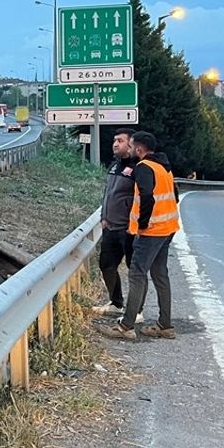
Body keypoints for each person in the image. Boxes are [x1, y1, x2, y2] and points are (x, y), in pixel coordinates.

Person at [101, 131, 180, 341]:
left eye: (133, 145)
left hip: (152, 231)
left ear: (138, 149)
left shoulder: (144, 167)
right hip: (168, 228)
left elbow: (146, 196)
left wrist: (142, 225)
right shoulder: (164, 167)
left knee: (136, 273)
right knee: (160, 275)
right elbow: (175, 194)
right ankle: (165, 325)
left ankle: (126, 326)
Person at [93, 128, 139, 318]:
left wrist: (134, 226)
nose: (115, 144)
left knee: (134, 270)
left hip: (128, 229)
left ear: (131, 144)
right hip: (110, 227)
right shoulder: (114, 166)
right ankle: (116, 302)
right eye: (114, 140)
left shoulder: (139, 168)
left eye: (120, 140)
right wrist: (104, 217)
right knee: (106, 265)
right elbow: (108, 194)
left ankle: (137, 310)